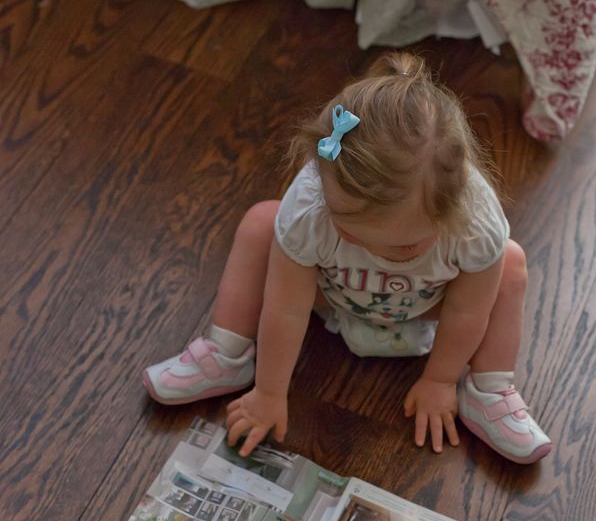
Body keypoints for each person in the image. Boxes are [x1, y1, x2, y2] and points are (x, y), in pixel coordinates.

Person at [144, 53, 551, 464]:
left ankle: (489, 388)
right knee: (260, 224)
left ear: (452, 206)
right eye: (349, 233)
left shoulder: (475, 221)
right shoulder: (311, 204)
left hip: (427, 307)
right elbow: (285, 307)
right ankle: (227, 352)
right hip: (331, 294)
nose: (374, 253)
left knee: (510, 263)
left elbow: (467, 311)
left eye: (401, 248)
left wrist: (441, 380)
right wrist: (269, 392)